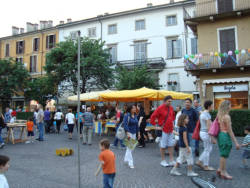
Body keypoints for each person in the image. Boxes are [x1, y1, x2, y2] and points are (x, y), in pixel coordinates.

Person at [216, 100, 240, 180]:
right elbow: (230, 130)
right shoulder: (227, 117)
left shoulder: (219, 115)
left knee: (222, 154)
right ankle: (223, 172)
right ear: (227, 106)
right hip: (225, 136)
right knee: (224, 155)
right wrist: (236, 142)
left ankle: (220, 169)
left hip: (220, 136)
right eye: (230, 105)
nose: (231, 106)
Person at [150, 96, 176, 167]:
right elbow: (152, 117)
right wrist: (156, 126)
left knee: (171, 145)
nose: (170, 103)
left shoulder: (171, 108)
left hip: (170, 129)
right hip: (163, 129)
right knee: (163, 145)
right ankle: (163, 160)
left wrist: (172, 124)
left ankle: (171, 160)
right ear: (165, 101)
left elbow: (173, 116)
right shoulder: (160, 108)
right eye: (169, 101)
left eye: (171, 101)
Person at [196, 100, 215, 171]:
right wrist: (212, 137)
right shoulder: (207, 115)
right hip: (206, 133)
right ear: (209, 106)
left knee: (207, 149)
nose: (213, 107)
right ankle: (205, 165)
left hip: (202, 133)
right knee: (208, 149)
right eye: (212, 105)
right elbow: (209, 128)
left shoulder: (203, 113)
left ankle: (200, 161)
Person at [124, 105, 139, 169]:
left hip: (134, 133)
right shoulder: (127, 115)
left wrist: (139, 133)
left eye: (135, 108)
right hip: (129, 133)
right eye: (133, 108)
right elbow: (125, 124)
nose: (135, 109)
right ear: (130, 109)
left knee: (131, 148)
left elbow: (137, 125)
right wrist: (127, 133)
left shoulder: (135, 115)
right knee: (130, 148)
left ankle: (126, 159)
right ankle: (131, 163)